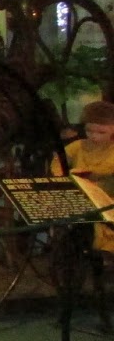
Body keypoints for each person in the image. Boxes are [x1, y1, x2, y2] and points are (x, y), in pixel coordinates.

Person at [55, 99, 114, 253]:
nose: (94, 136)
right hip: (77, 197)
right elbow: (58, 160)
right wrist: (61, 176)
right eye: (90, 131)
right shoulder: (78, 146)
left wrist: (97, 173)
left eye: (101, 132)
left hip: (107, 199)